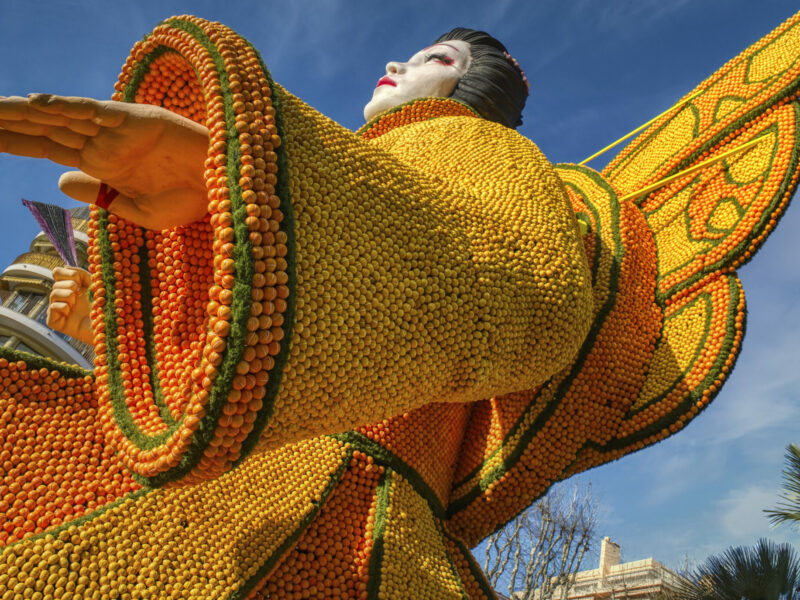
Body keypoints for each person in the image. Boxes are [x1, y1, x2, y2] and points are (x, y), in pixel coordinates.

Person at [0, 15, 798, 599]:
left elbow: (533, 301)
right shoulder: (360, 161)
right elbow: (233, 364)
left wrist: (268, 192)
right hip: (219, 484)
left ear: (468, 84)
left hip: (350, 516)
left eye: (433, 57)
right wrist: (120, 334)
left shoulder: (486, 151)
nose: (396, 62)